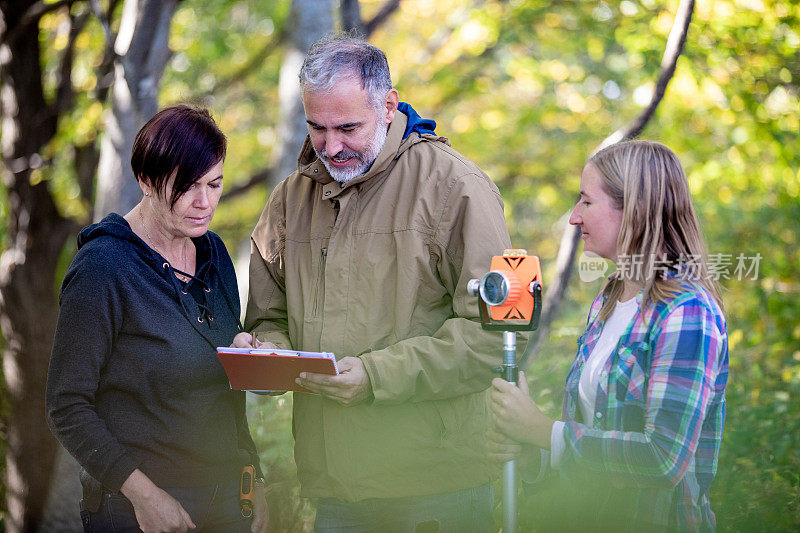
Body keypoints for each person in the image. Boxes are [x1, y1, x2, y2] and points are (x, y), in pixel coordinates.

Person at [234, 34, 512, 531]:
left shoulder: (458, 187)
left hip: (436, 487)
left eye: (347, 127)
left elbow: (497, 338)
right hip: (333, 487)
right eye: (316, 127)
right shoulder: (288, 200)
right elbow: (269, 318)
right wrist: (265, 354)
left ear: (388, 106)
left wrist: (374, 378)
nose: (330, 146)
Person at [46, 105, 268, 533]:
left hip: (226, 502)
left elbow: (224, 392)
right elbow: (66, 405)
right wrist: (145, 497)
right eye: (186, 186)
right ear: (146, 180)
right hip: (137, 510)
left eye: (214, 184)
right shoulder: (103, 267)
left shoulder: (213, 252)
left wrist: (251, 476)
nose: (204, 202)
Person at [489, 140, 729, 531]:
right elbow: (588, 451)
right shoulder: (608, 301)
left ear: (632, 208)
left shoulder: (686, 312)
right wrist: (534, 452)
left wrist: (542, 430)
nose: (573, 217)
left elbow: (663, 459)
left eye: (586, 202)